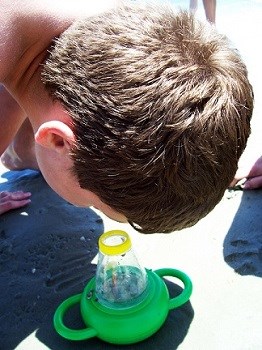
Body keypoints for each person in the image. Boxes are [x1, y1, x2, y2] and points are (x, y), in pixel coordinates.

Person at [0, 0, 253, 233]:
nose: (94, 209)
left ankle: (22, 154)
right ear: (57, 140)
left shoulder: (118, 21)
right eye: (97, 206)